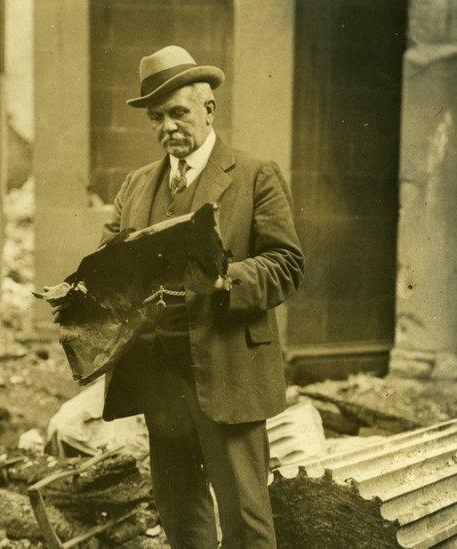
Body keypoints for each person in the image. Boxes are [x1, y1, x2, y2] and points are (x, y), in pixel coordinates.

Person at [61, 45, 304, 548]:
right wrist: (80, 290)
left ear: (208, 111)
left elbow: (287, 265)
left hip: (227, 370)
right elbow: (107, 261)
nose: (167, 126)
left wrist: (224, 280)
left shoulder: (255, 174)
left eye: (178, 113)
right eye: (157, 117)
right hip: (159, 375)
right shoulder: (136, 186)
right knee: (180, 511)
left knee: (245, 518)